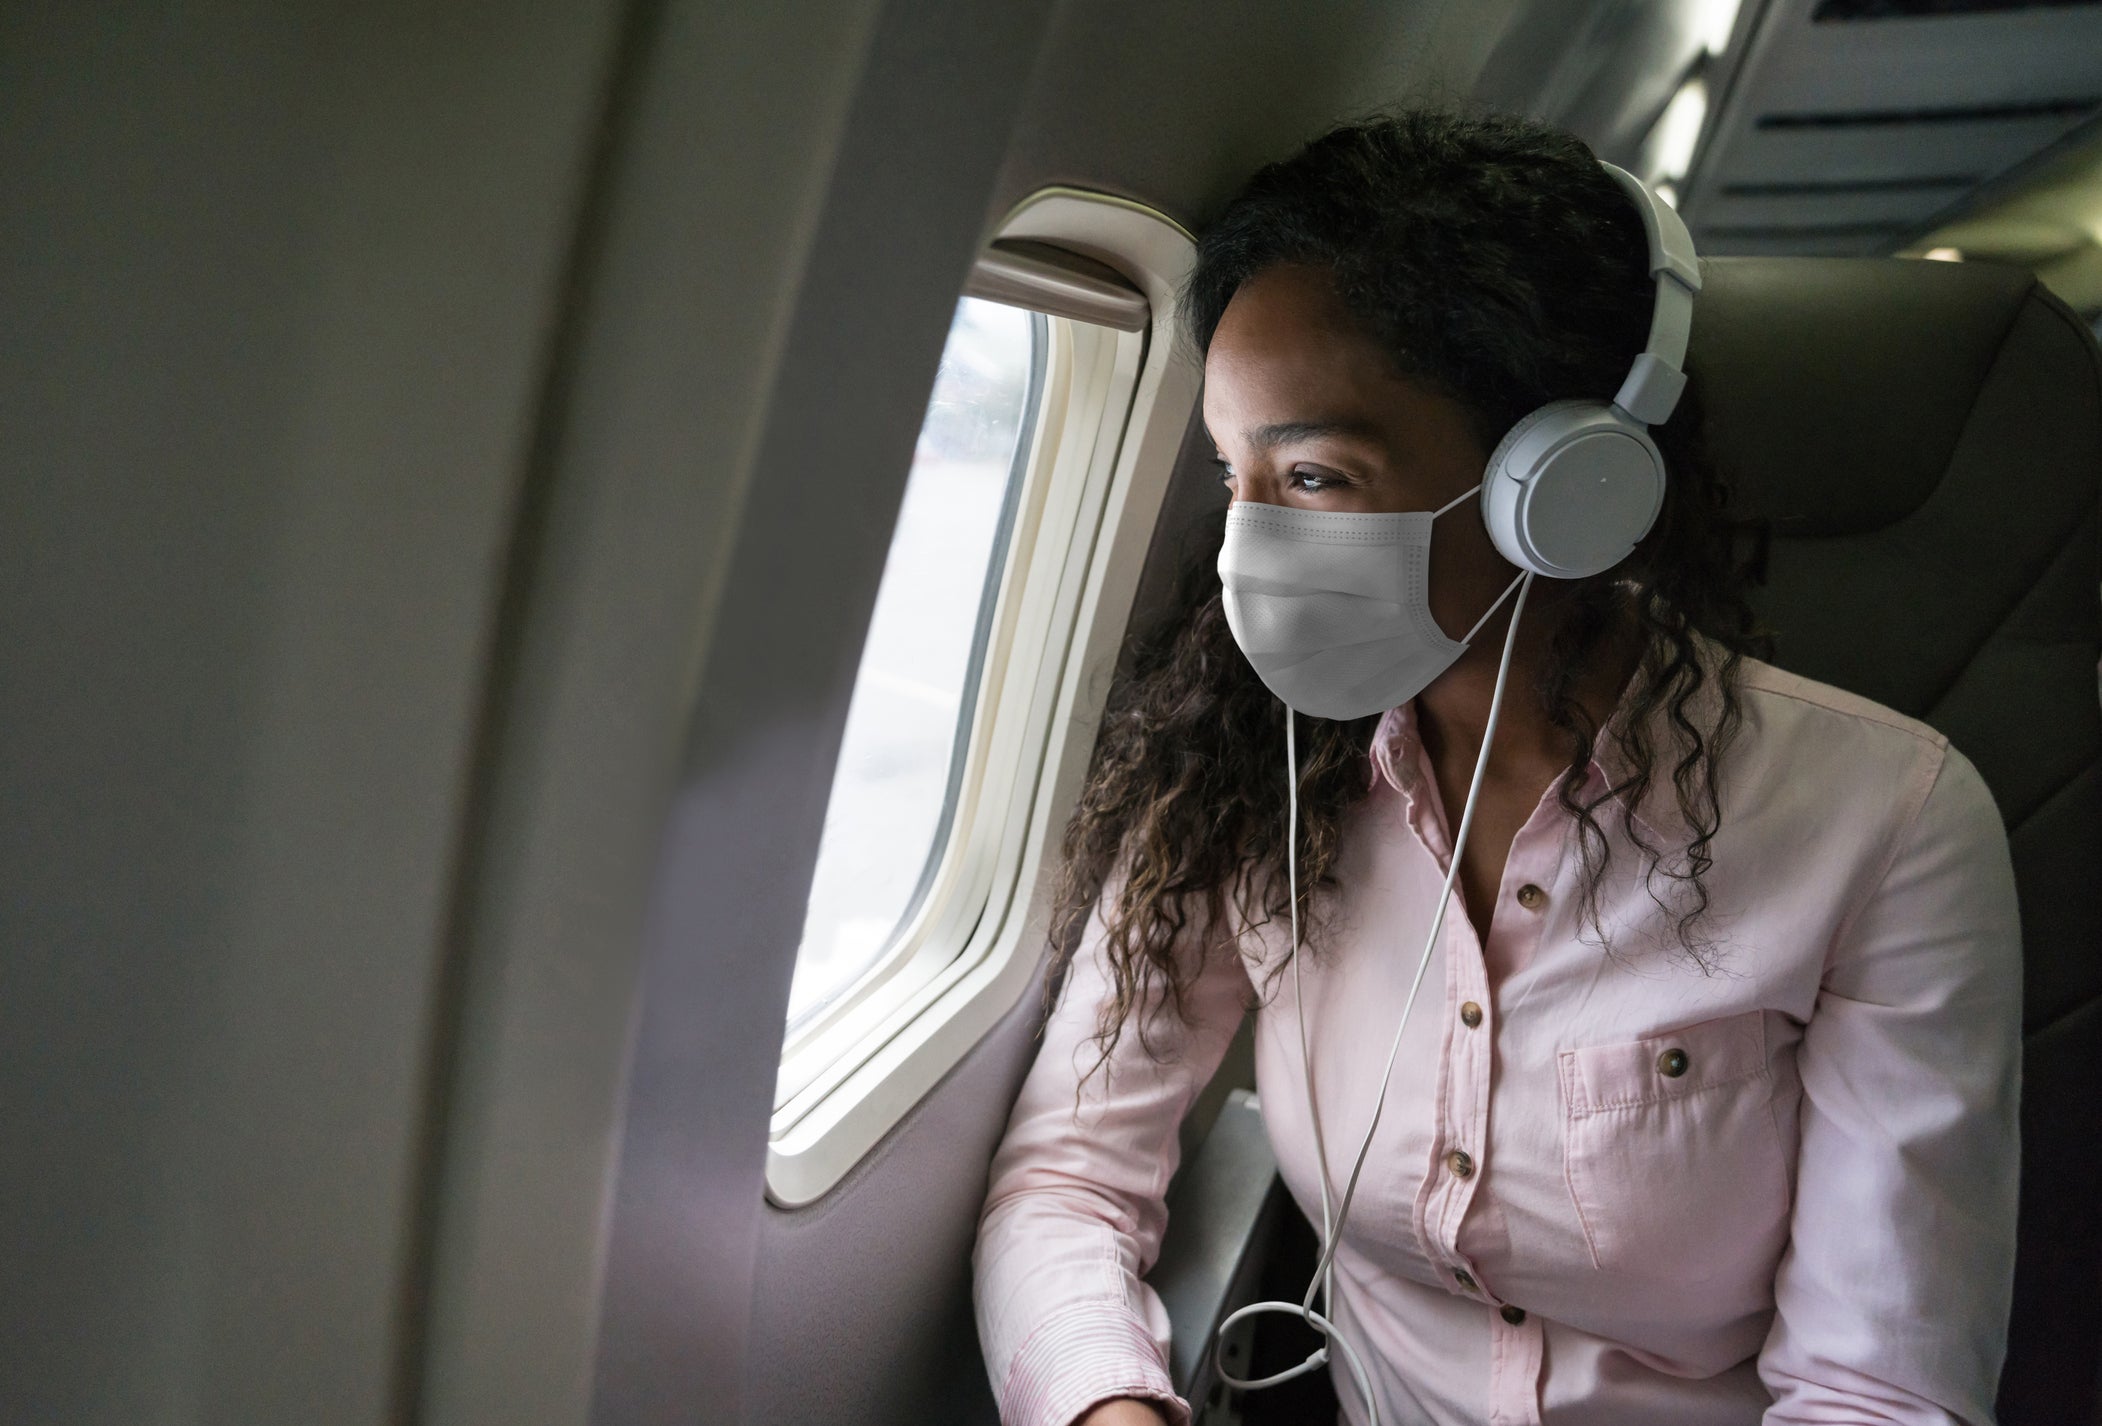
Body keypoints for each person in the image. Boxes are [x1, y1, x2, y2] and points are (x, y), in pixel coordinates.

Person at [971, 109, 2021, 1426]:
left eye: (1312, 473)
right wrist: (1108, 1404)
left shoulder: (1888, 823)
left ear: (1561, 484)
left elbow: (1874, 1387)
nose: (1245, 547)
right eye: (1228, 472)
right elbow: (1068, 1173)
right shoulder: (1244, 765)